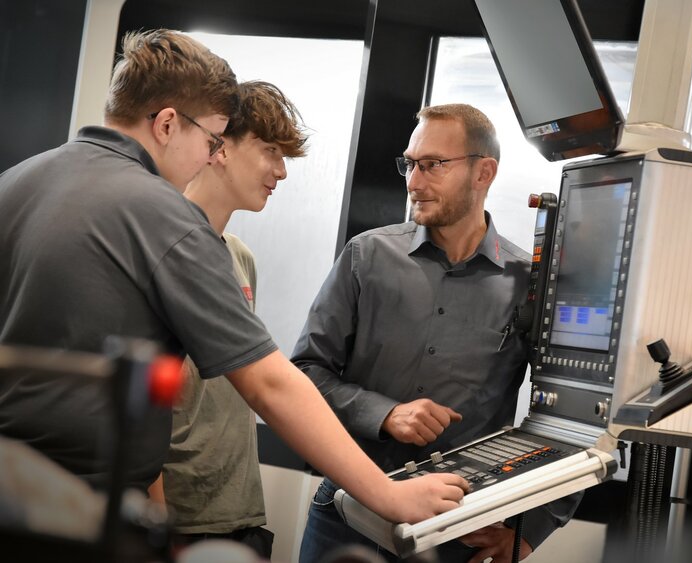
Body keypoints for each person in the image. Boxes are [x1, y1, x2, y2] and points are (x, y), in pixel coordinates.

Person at [0, 28, 467, 533]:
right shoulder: (164, 216)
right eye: (210, 140)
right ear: (167, 124)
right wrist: (389, 495)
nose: (209, 157)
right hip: (81, 514)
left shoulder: (16, 182)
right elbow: (269, 383)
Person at [293, 103, 582, 563]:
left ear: (484, 172)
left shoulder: (530, 284)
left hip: (456, 528)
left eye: (432, 165)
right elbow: (305, 373)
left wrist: (532, 529)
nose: (413, 181)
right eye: (410, 164)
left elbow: (570, 413)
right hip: (347, 510)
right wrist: (385, 414)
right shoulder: (366, 257)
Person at [146, 80, 307, 558]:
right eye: (270, 151)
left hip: (239, 512)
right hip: (178, 519)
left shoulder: (239, 257)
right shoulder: (158, 246)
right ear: (218, 147)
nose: (281, 171)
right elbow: (139, 403)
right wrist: (156, 524)